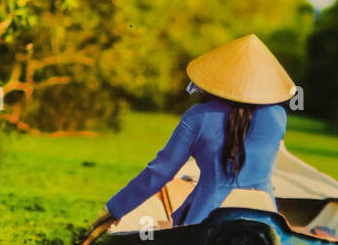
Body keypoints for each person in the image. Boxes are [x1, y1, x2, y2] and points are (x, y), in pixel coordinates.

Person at [104, 34, 294, 228]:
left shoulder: (198, 116)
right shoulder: (278, 116)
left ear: (220, 78)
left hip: (204, 220)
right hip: (265, 219)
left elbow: (161, 171)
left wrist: (116, 208)